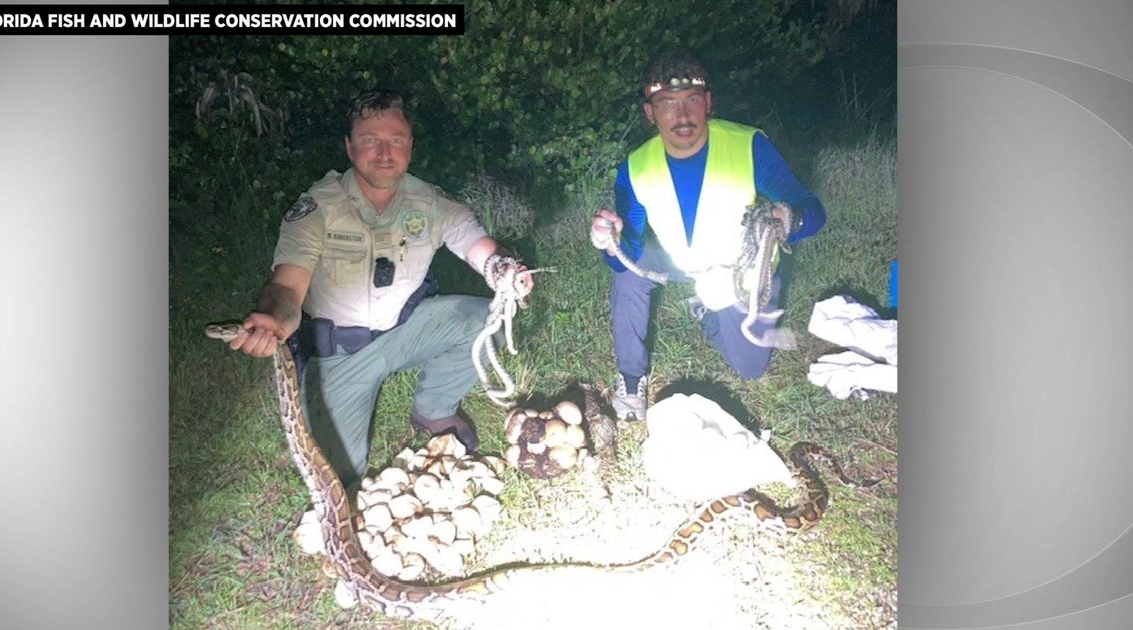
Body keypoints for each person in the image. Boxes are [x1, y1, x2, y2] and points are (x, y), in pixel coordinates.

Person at [218, 89, 534, 488]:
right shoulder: (317, 208)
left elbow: (477, 245)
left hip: (404, 331)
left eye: (396, 140)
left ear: (410, 146)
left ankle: (434, 410)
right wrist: (274, 320)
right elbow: (286, 287)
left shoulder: (429, 201)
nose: (385, 152)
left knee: (484, 316)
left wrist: (503, 269)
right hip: (340, 355)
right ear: (350, 148)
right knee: (338, 479)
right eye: (370, 141)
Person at [590, 50, 826, 421]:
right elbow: (629, 252)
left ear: (708, 103)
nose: (682, 117)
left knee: (750, 367)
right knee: (629, 274)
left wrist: (789, 220)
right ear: (650, 113)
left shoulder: (749, 146)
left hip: (741, 269)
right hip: (680, 258)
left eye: (692, 102)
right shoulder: (635, 166)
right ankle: (632, 377)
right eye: (668, 105)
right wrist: (611, 242)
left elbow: (813, 211)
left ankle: (705, 310)